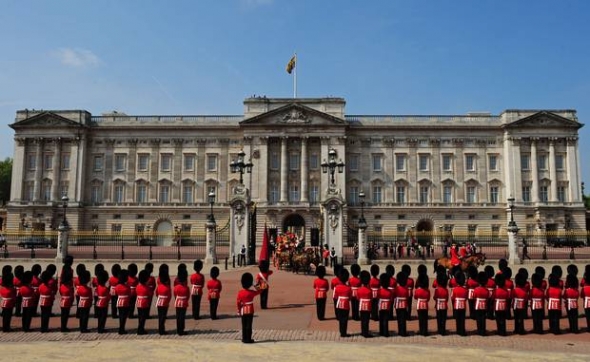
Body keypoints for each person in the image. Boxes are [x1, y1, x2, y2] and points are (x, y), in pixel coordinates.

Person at [237, 272, 261, 343]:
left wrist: (239, 310)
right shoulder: (251, 292)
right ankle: (248, 339)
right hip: (250, 309)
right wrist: (254, 283)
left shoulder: (240, 292)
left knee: (243, 324)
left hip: (243, 309)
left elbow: (238, 302)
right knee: (249, 325)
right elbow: (260, 290)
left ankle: (244, 338)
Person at [333, 268, 352, 338]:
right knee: (345, 319)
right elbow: (350, 298)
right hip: (346, 304)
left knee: (340, 318)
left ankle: (341, 331)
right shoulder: (348, 288)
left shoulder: (337, 287)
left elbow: (335, 296)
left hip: (339, 303)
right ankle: (344, 333)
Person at [451, 271, 468, 336]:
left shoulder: (455, 289)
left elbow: (452, 298)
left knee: (458, 319)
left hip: (456, 305)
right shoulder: (465, 290)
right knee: (462, 319)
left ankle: (458, 330)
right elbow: (466, 298)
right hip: (463, 305)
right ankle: (462, 330)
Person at [156, 265, 171, 335]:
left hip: (159, 301)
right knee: (163, 317)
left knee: (160, 316)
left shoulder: (159, 286)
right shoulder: (167, 287)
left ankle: (160, 329)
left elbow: (156, 293)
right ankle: (162, 330)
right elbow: (169, 295)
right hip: (165, 302)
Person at [357, 270, 373, 338]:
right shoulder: (369, 290)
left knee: (362, 319)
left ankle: (363, 332)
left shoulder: (359, 290)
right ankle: (366, 333)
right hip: (368, 306)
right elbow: (371, 298)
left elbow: (358, 298)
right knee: (366, 320)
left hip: (361, 306)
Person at [174, 269, 190, 335]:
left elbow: (175, 295)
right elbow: (187, 296)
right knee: (182, 317)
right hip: (184, 303)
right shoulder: (186, 288)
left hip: (177, 302)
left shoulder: (176, 287)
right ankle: (181, 330)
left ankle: (178, 329)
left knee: (178, 316)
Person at [115, 269, 131, 335]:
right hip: (125, 302)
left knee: (121, 316)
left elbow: (116, 294)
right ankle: (122, 329)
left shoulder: (117, 286)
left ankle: (121, 328)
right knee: (124, 317)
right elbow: (129, 295)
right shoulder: (127, 287)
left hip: (119, 302)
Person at [473, 271, 489, 336]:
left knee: (478, 318)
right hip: (484, 305)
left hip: (477, 305)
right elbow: (487, 297)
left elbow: (474, 297)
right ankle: (483, 330)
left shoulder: (476, 289)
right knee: (483, 318)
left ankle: (479, 330)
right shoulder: (486, 290)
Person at [59, 266, 74, 332]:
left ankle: (63, 326)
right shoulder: (69, 287)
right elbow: (71, 295)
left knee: (63, 315)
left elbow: (60, 292)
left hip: (62, 301)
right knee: (65, 315)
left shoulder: (62, 286)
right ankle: (63, 327)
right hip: (67, 301)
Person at [136, 270, 151, 335]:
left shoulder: (138, 286)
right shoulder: (146, 287)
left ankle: (140, 328)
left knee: (140, 316)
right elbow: (149, 294)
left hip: (139, 302)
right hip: (144, 302)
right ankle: (140, 329)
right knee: (143, 317)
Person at [394, 271, 409, 337]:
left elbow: (394, 295)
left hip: (397, 304)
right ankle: (403, 331)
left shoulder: (396, 289)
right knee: (403, 319)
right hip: (404, 305)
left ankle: (400, 331)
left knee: (399, 319)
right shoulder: (406, 289)